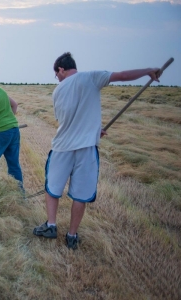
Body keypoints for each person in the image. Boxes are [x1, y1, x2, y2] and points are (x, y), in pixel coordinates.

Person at [33, 52, 161, 250]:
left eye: (56, 74)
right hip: (86, 148)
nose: (57, 78)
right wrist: (147, 71)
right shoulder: (92, 77)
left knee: (53, 187)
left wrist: (91, 128)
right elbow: (123, 76)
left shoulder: (58, 90)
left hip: (62, 147)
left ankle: (51, 225)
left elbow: (66, 120)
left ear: (61, 69)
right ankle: (72, 236)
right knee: (80, 194)